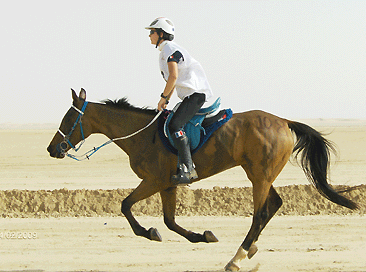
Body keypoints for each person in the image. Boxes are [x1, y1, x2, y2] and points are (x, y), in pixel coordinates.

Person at [145, 17, 214, 185]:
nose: (149, 36)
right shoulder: (165, 51)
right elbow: (173, 80)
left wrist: (163, 97)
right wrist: (166, 99)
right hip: (190, 95)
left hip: (195, 94)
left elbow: (174, 77)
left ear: (161, 34)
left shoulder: (168, 49)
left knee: (175, 125)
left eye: (151, 32)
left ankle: (188, 169)